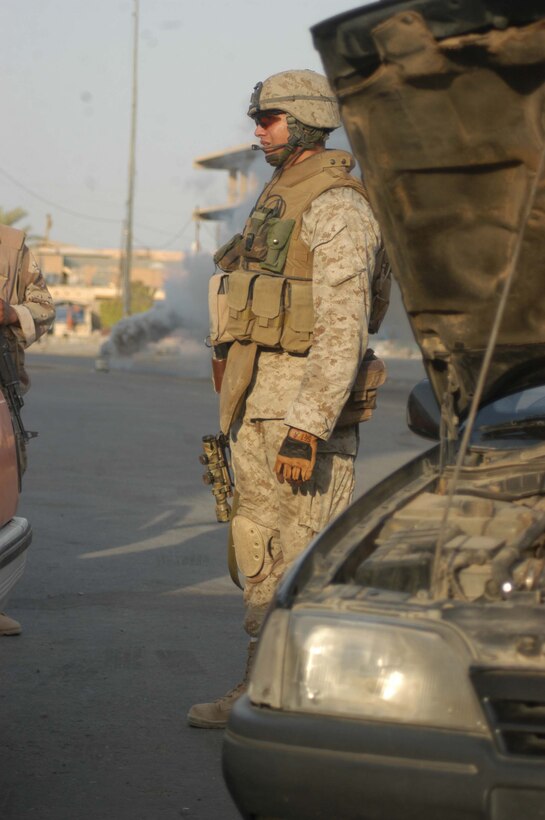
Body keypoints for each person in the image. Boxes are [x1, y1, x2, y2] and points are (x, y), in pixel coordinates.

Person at [188, 70, 385, 728]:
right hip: (258, 409)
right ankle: (260, 691)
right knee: (260, 551)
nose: (258, 129)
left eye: (269, 119)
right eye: (259, 118)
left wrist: (306, 428)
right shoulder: (278, 196)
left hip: (303, 421)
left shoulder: (336, 204)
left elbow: (342, 328)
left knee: (305, 561)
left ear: (302, 121)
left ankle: (309, 705)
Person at [0, 223, 55, 636]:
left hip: (1, 392)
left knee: (4, 489)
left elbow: (45, 308)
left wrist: (12, 313)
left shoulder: (12, 245)